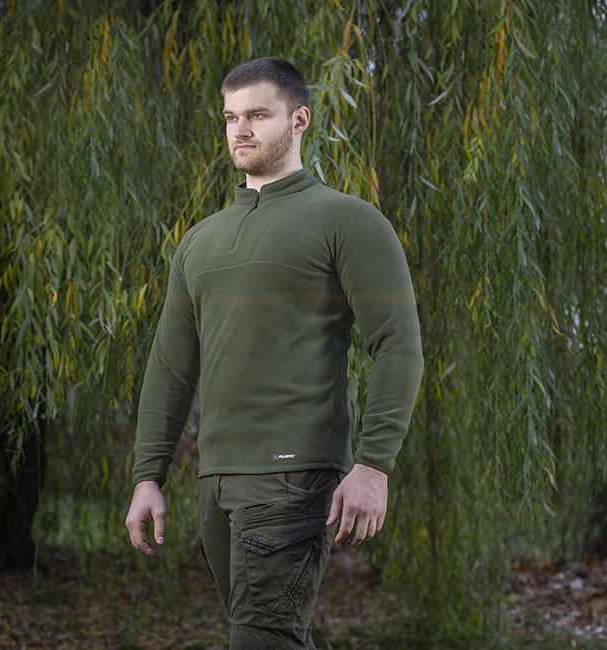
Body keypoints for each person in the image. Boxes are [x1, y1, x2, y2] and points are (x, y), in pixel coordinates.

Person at [125, 57, 424, 649]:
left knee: (261, 638)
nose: (240, 130)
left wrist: (373, 466)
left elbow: (398, 344)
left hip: (292, 474)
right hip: (216, 482)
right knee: (269, 638)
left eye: (258, 115)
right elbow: (171, 368)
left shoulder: (348, 221)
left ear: (299, 120)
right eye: (230, 117)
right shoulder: (199, 241)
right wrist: (146, 476)